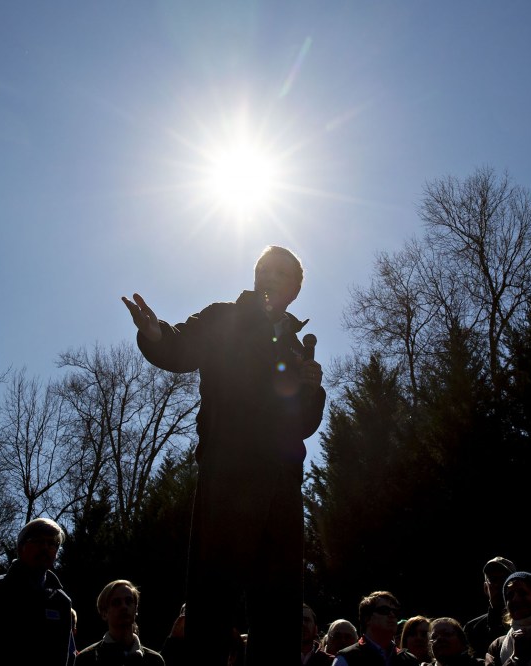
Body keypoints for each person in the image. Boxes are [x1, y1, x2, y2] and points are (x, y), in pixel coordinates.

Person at [122, 245, 326, 666]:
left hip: (283, 483)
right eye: (263, 269)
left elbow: (302, 424)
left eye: (280, 272)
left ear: (295, 287)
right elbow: (179, 346)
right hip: (228, 473)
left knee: (280, 602)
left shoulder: (294, 345)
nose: (269, 276)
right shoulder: (224, 318)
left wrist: (312, 389)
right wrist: (155, 333)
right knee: (213, 595)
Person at [0, 517, 73, 666]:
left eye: (52, 543)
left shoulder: (61, 602)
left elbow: (65, 656)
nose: (45, 547)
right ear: (21, 546)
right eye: (38, 541)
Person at [75, 579, 163, 665]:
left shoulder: (154, 660)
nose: (124, 606)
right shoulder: (86, 659)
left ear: (136, 610)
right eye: (116, 602)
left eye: (129, 601)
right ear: (104, 613)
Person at [334, 591, 416, 666]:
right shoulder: (347, 659)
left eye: (395, 612)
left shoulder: (410, 661)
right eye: (384, 610)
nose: (392, 615)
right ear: (367, 618)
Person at [485, 572, 531, 666]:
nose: (515, 599)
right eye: (510, 596)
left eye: (522, 593)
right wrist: (516, 658)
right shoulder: (497, 646)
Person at [463, 557, 515, 658]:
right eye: (493, 579)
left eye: (505, 579)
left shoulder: (527, 622)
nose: (499, 585)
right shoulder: (472, 629)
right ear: (486, 588)